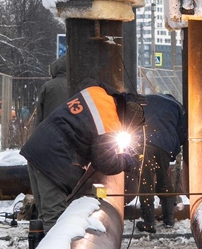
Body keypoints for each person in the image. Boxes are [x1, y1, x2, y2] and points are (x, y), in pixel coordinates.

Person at [21, 78, 145, 234]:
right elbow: (104, 162)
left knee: (43, 213)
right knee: (55, 220)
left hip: (37, 146)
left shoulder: (100, 94)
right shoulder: (110, 122)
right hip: (53, 159)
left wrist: (122, 96)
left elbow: (87, 82)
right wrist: (126, 160)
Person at [129, 93, 187, 233]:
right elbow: (181, 133)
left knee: (145, 180)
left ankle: (149, 223)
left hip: (143, 142)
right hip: (165, 146)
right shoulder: (177, 106)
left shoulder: (145, 100)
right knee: (163, 177)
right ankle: (169, 219)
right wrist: (172, 151)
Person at [35, 53, 68, 126]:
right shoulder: (76, 86)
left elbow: (40, 114)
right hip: (71, 132)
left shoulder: (48, 86)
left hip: (50, 130)